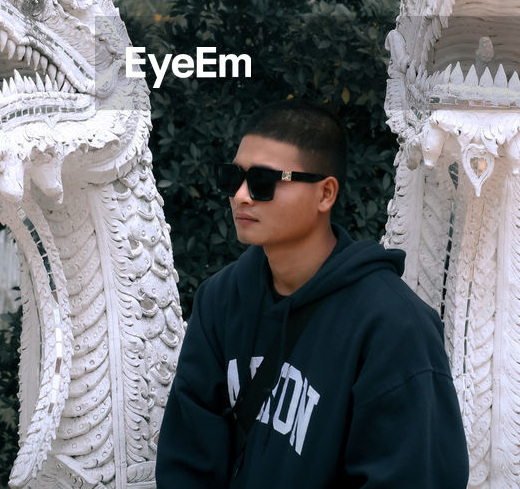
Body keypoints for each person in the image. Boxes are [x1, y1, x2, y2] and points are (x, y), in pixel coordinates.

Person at [156, 99, 469, 488]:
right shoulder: (220, 300)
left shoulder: (395, 327)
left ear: (325, 194)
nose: (240, 196)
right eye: (232, 178)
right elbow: (186, 459)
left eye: (263, 181)